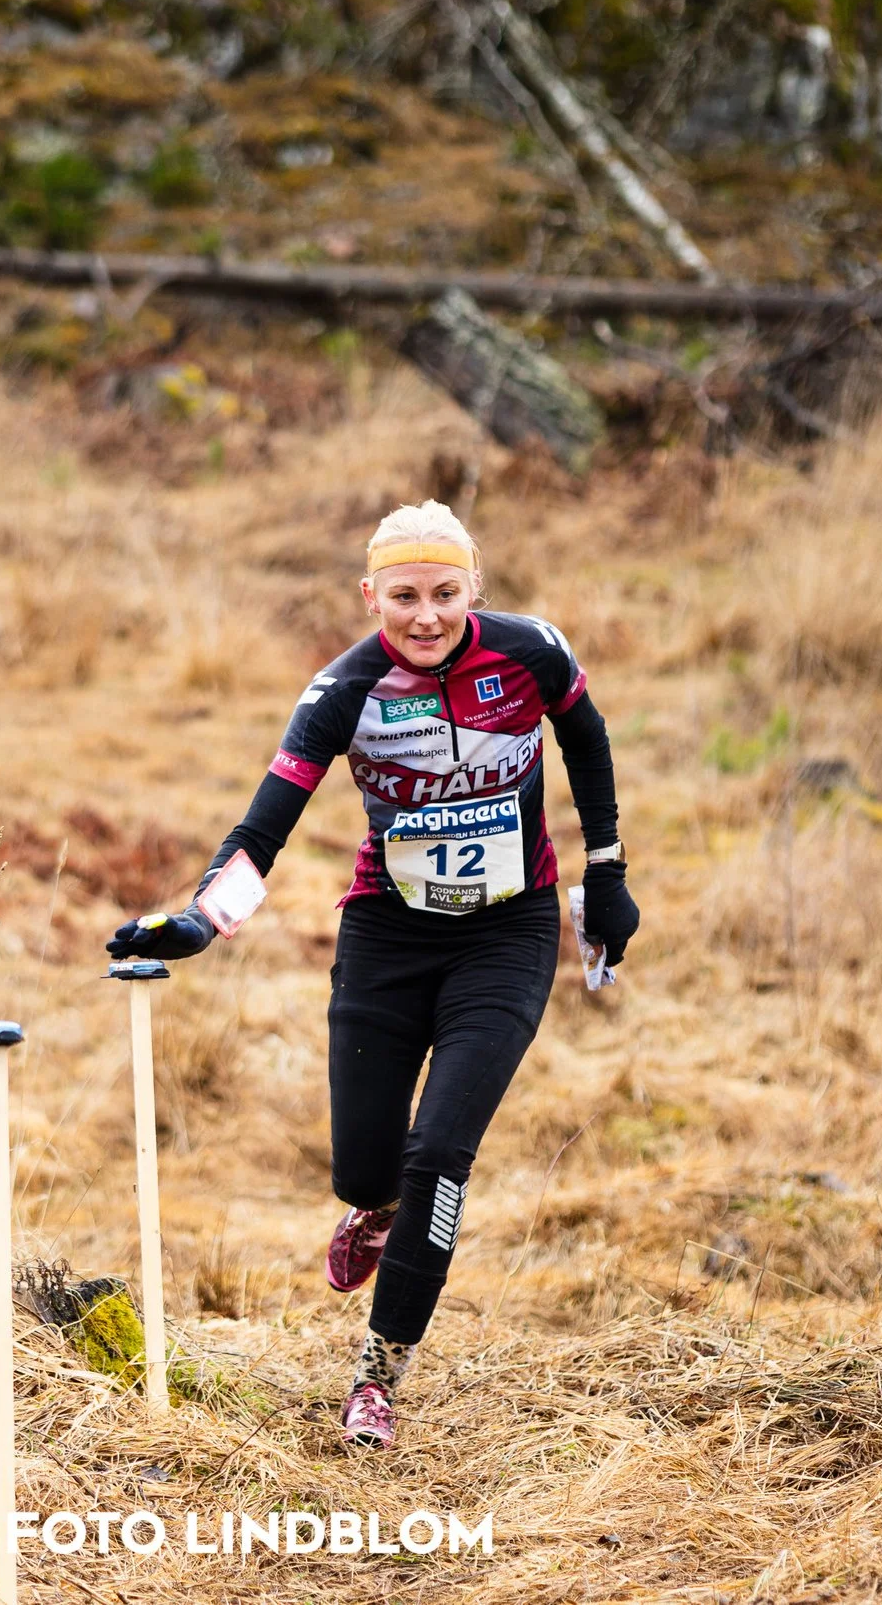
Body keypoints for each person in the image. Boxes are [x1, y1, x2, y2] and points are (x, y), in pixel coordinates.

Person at [107, 499, 637, 1449]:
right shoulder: (343, 689)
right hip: (387, 938)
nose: (424, 615)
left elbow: (587, 741)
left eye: (443, 592)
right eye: (403, 596)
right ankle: (375, 1203)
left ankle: (377, 1378)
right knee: (364, 1160)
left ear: (474, 588)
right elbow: (267, 822)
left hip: (507, 935)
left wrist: (607, 871)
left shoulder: (531, 652)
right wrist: (198, 917)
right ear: (371, 595)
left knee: (439, 1153)